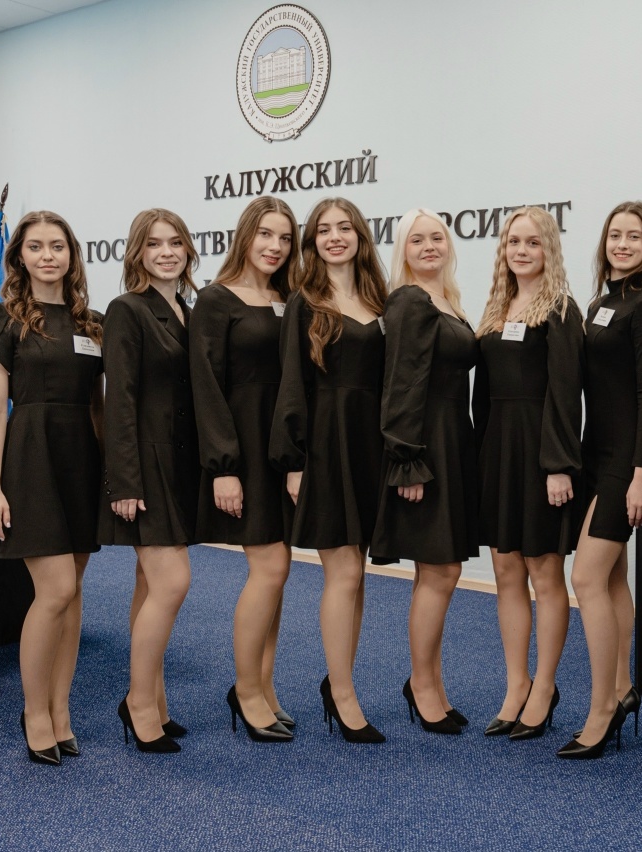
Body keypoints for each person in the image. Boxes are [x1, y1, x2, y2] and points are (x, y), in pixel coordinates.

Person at [0, 211, 103, 766]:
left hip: (82, 463)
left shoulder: (93, 324)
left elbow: (100, 406)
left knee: (72, 593)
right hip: (29, 460)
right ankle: (33, 712)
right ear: (19, 257)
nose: (48, 256)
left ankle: (61, 709)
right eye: (36, 247)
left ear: (71, 256)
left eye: (57, 246)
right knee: (53, 590)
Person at [269, 197, 388, 744]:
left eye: (344, 228)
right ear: (312, 241)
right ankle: (342, 694)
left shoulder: (379, 299)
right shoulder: (304, 301)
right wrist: (294, 462)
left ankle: (339, 680)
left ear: (360, 235)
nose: (335, 237)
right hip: (324, 446)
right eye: (323, 230)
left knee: (356, 573)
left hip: (371, 447)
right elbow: (292, 384)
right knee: (342, 572)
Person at [560, 201, 642, 760]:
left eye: (634, 237)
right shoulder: (600, 304)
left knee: (585, 578)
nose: (622, 245)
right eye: (615, 235)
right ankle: (623, 689)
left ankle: (602, 707)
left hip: (625, 461)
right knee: (612, 578)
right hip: (594, 453)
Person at [190, 197, 300, 742]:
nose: (274, 246)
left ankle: (265, 685)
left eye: (284, 237)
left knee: (279, 570)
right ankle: (245, 690)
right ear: (245, 236)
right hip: (243, 449)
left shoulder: (289, 298)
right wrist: (223, 467)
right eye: (265, 234)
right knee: (270, 567)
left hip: (282, 448)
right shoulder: (216, 299)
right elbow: (205, 386)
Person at [474, 207, 583, 740]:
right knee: (505, 571)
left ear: (549, 249)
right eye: (514, 241)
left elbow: (566, 394)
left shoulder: (560, 309)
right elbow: (482, 394)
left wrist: (558, 465)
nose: (521, 250)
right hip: (498, 452)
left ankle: (544, 686)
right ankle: (516, 684)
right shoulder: (496, 307)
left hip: (541, 456)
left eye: (533, 242)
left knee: (545, 573)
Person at [372, 209, 479, 735]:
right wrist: (408, 461)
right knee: (440, 570)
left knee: (438, 571)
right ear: (404, 250)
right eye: (417, 240)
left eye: (437, 237)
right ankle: (421, 684)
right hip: (425, 448)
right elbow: (401, 384)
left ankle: (431, 681)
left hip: (452, 441)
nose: (429, 246)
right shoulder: (411, 300)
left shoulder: (447, 299)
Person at [100, 208, 201, 753]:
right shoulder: (127, 309)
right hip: (145, 465)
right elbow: (119, 399)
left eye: (175, 243)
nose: (166, 253)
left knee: (149, 586)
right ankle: (138, 704)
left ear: (188, 250)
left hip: (182, 466)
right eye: (155, 244)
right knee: (172, 582)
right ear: (138, 253)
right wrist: (124, 481)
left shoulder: (188, 310)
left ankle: (154, 700)